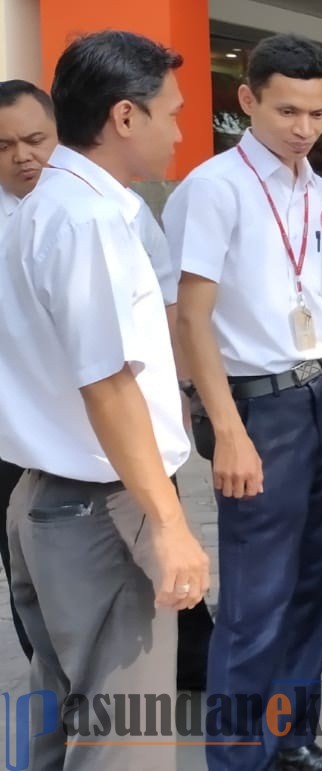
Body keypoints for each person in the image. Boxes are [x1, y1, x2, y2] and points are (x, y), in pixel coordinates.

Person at [0, 31, 210, 770]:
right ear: (126, 117)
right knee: (127, 738)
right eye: (172, 113)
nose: (181, 129)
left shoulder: (51, 204)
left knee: (61, 714)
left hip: (49, 502)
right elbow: (108, 382)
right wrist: (170, 520)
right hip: (99, 510)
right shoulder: (83, 218)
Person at [165, 34, 322, 771]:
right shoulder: (213, 189)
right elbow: (190, 317)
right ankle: (238, 757)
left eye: (316, 111)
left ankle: (292, 738)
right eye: (286, 109)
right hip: (258, 410)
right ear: (246, 101)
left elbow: (315, 298)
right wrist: (226, 428)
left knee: (320, 582)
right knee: (255, 602)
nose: (303, 126)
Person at [0, 79, 56, 663]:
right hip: (10, 434)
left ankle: (181, 660)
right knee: (24, 567)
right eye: (4, 145)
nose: (23, 156)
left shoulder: (103, 206)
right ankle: (49, 676)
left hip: (97, 423)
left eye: (35, 139)